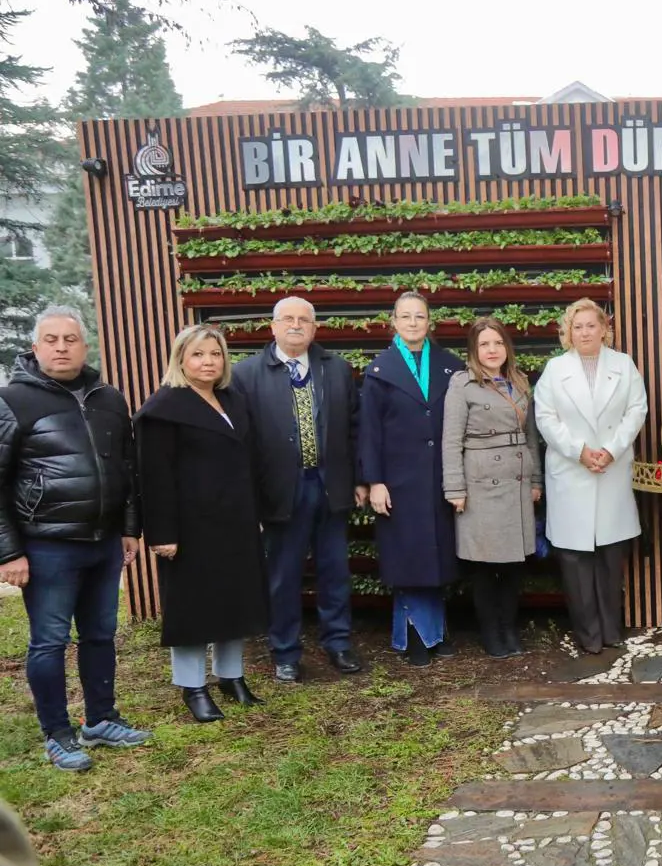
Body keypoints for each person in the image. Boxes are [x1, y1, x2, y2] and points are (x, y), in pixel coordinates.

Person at [0, 305, 152, 769]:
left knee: (100, 634)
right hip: (47, 546)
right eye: (52, 339)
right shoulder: (13, 401)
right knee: (48, 641)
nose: (62, 347)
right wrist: (8, 552)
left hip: (104, 543)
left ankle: (100, 719)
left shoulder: (109, 397)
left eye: (70, 339)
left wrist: (129, 529)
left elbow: (127, 470)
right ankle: (57, 732)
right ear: (36, 346)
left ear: (85, 346)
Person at [135, 325, 271, 722]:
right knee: (193, 610)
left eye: (215, 354)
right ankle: (193, 686)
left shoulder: (232, 400)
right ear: (181, 359)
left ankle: (232, 677)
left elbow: (252, 462)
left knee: (234, 601)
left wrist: (257, 514)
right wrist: (162, 534)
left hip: (235, 522)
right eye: (198, 354)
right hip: (189, 528)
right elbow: (153, 477)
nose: (208, 362)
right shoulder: (162, 409)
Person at [232, 297, 365, 683]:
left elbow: (355, 429)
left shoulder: (336, 370)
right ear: (271, 327)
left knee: (334, 572)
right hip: (280, 493)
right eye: (287, 319)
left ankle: (338, 644)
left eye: (303, 320)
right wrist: (251, 499)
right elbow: (242, 442)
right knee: (283, 576)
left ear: (314, 328)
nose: (295, 325)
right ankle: (286, 652)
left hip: (330, 487)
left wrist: (358, 478)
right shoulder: (247, 374)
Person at [533, 299, 648, 654]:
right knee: (575, 558)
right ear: (568, 332)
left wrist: (611, 450)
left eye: (591, 325)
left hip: (611, 469)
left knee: (611, 554)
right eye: (577, 326)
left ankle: (612, 630)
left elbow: (636, 409)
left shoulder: (623, 365)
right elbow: (546, 419)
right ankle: (588, 636)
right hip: (572, 470)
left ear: (604, 329)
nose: (584, 332)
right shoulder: (554, 369)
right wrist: (580, 451)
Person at [360, 292, 465, 667]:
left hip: (438, 477)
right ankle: (416, 637)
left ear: (429, 322)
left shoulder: (450, 366)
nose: (413, 323)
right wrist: (374, 481)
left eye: (419, 316)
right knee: (409, 557)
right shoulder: (379, 370)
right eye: (405, 317)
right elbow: (368, 432)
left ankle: (434, 632)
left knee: (435, 556)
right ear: (394, 322)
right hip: (398, 481)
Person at [442, 317, 543, 658]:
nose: (492, 350)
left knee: (514, 566)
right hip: (481, 483)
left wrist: (534, 480)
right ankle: (491, 634)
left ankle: (509, 629)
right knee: (486, 567)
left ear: (506, 347)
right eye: (484, 344)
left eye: (497, 343)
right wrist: (455, 488)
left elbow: (530, 436)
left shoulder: (519, 381)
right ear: (474, 350)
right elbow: (451, 440)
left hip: (515, 482)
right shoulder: (463, 385)